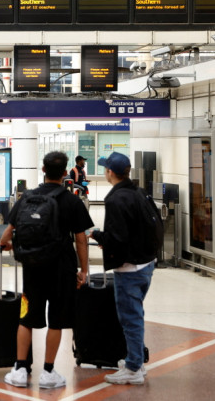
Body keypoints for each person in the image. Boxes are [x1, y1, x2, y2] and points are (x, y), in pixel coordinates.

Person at [0, 151, 92, 389]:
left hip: (33, 268)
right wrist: (84, 270)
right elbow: (81, 239)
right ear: (64, 174)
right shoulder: (72, 201)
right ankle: (48, 372)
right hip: (62, 268)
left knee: (27, 317)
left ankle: (20, 369)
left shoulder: (27, 198)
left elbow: (6, 235)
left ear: (43, 170)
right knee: (57, 321)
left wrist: (8, 246)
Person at [90, 152, 156, 385]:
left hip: (129, 269)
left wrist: (97, 235)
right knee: (135, 315)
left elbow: (117, 238)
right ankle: (135, 359)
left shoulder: (115, 199)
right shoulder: (139, 192)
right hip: (147, 263)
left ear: (110, 172)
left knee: (130, 318)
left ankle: (133, 368)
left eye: (105, 169)